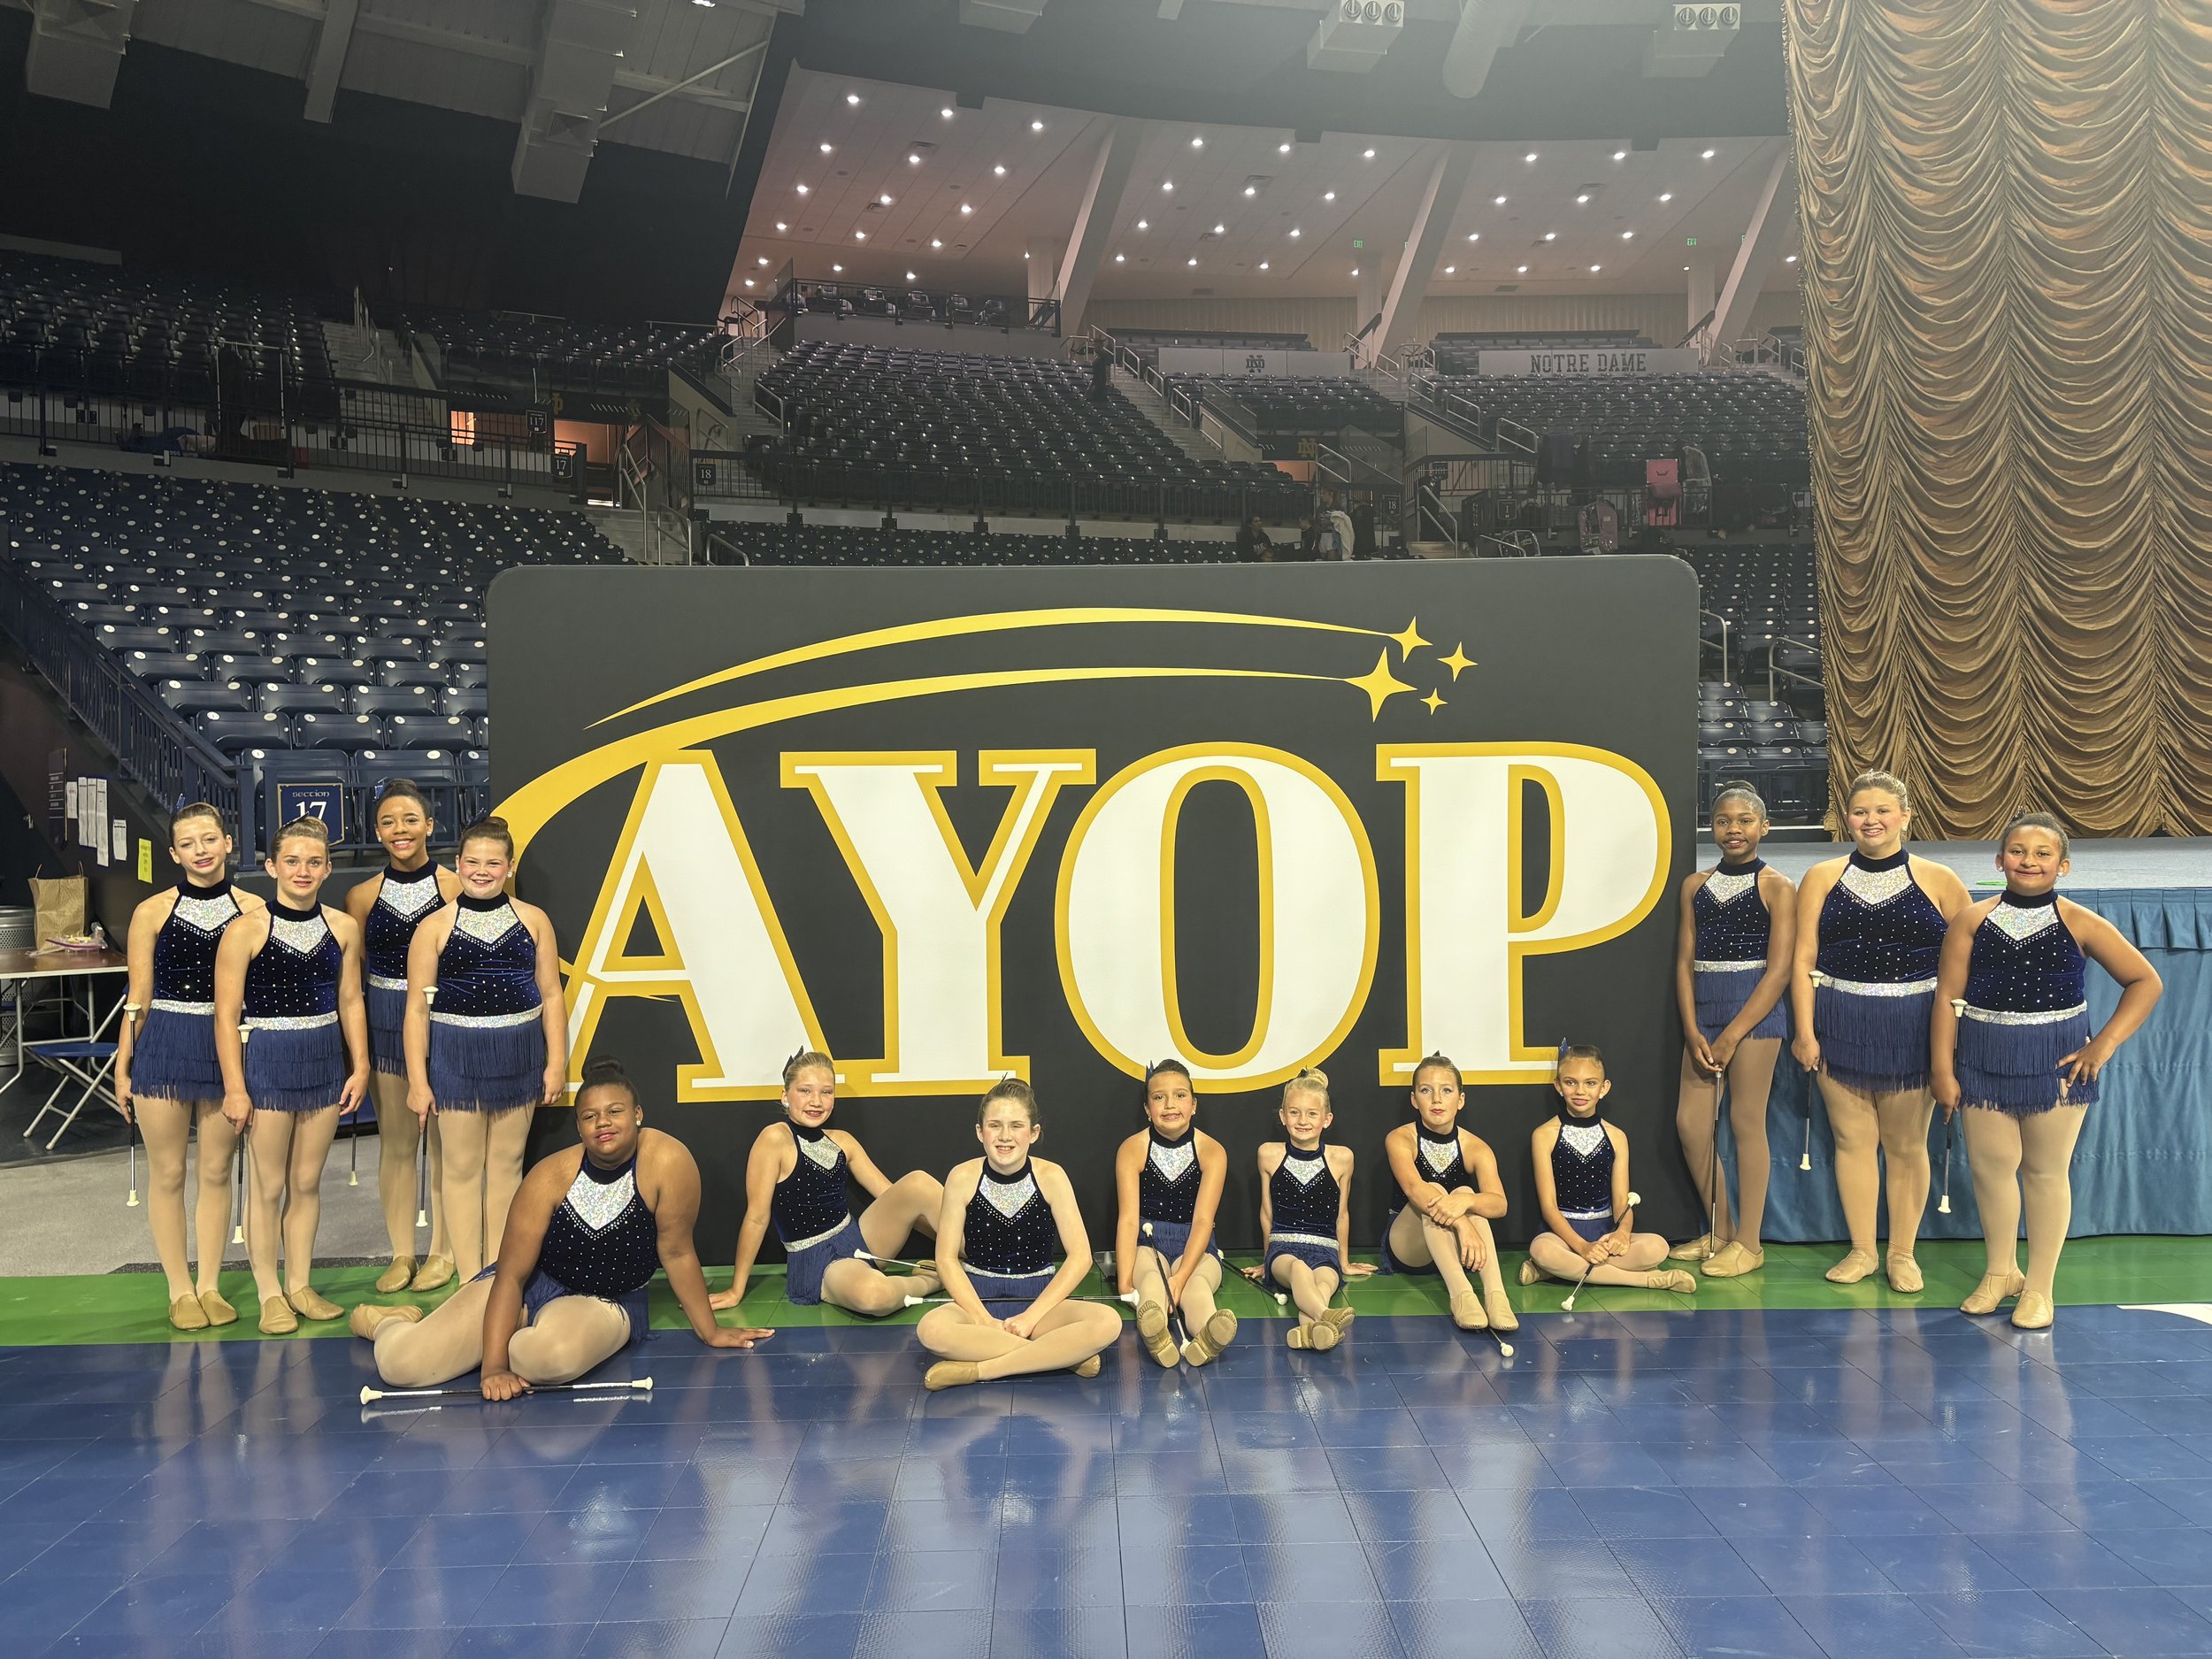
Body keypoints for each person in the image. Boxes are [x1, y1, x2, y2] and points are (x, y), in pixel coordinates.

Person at [352, 1057, 773, 1394]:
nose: (603, 1122)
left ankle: (511, 1335)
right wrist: (493, 1368)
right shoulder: (549, 1177)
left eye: (614, 1112)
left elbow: (677, 1252)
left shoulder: (668, 1162)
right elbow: (511, 1275)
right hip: (530, 1287)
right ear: (579, 1127)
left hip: (606, 1301)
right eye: (590, 1116)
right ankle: (388, 1323)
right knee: (401, 1366)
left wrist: (710, 1331)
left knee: (545, 1360)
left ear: (638, 1114)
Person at [1932, 815, 2162, 1330]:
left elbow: (2145, 982)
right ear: (1999, 860)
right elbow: (1947, 998)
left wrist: (2102, 1045)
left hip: (2056, 1064)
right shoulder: (1971, 920)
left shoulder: (2081, 921)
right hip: (1984, 1059)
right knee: (1991, 1168)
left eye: (2042, 854)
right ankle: (2000, 1273)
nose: (2029, 861)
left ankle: (2039, 1286)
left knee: (2044, 1171)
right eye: (2017, 851)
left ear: (2064, 865)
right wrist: (1942, 1070)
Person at [1790, 771, 1971, 1292]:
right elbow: (1803, 958)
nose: (1871, 821)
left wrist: (1953, 1041)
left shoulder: (1939, 878)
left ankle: (1902, 1253)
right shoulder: (1821, 876)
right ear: (1846, 819)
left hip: (1914, 1027)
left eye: (1882, 811)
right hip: (1839, 1023)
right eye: (1860, 812)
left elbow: (1966, 964)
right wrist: (1804, 1031)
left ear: (1905, 816)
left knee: (1906, 1145)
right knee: (1852, 1142)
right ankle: (1863, 1250)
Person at [211, 816, 370, 1333]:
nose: (303, 870)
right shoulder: (246, 930)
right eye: (293, 861)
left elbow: (350, 1000)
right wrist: (235, 1088)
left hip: (323, 1061)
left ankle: (300, 1283)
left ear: (327, 870)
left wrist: (361, 1064)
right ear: (271, 867)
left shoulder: (342, 928)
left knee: (306, 1182)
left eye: (314, 862)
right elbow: (225, 1016)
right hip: (269, 1061)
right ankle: (269, 1292)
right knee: (268, 1183)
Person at [113, 803, 266, 1330]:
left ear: (228, 843)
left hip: (227, 1046)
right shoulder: (152, 911)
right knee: (169, 1170)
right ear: (174, 854)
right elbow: (138, 997)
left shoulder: (255, 909)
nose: (200, 850)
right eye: (188, 843)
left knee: (217, 1169)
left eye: (209, 839)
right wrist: (123, 1065)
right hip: (164, 1042)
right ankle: (179, 1289)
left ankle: (210, 1285)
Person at [403, 817, 567, 1284]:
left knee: (507, 1168)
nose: (481, 871)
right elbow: (415, 1010)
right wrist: (418, 1081)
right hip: (456, 1058)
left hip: (519, 1056)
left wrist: (556, 1062)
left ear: (509, 867)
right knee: (460, 1169)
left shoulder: (533, 920)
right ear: (457, 864)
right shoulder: (434, 926)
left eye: (493, 863)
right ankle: (470, 1281)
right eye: (472, 862)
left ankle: (499, 1277)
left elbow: (552, 995)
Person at [918, 1078, 1120, 1390]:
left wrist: (1030, 1317)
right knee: (931, 1330)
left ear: (1033, 1133)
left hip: (1039, 1298)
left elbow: (1080, 1257)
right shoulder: (962, 1177)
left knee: (1108, 1322)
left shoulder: (1052, 1176)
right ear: (980, 1132)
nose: (1004, 1136)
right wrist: (982, 1319)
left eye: (1016, 1126)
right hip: (978, 1295)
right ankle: (1063, 1357)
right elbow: (945, 1259)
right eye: (995, 1126)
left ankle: (979, 1370)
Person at [708, 1048, 943, 1315]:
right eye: (805, 1091)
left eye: (826, 1092)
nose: (816, 1101)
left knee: (918, 1184)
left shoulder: (842, 1140)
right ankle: (935, 1279)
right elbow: (756, 1218)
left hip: (857, 1238)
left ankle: (977, 1258)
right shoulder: (775, 1139)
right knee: (875, 1297)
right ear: (785, 1096)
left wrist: (944, 1240)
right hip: (819, 1261)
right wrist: (735, 1290)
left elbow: (890, 1195)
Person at [1671, 781, 1795, 1277]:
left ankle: (1750, 1243)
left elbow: (1779, 971)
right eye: (1723, 821)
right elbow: (1684, 962)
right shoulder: (1694, 886)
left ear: (1764, 827)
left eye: (1745, 820)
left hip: (1755, 1011)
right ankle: (1720, 1229)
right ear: (1712, 827)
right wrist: (1692, 1028)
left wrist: (1732, 1035)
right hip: (1704, 1009)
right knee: (1691, 1125)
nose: (1734, 829)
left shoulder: (1777, 886)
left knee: (1745, 1122)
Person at [344, 779, 460, 1294]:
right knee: (396, 1142)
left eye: (410, 820)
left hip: (444, 1017)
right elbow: (354, 973)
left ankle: (444, 1250)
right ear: (377, 832)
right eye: (388, 822)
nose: (400, 830)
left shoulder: (455, 886)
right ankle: (401, 1253)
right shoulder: (362, 896)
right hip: (387, 1019)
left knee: (444, 1142)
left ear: (429, 825)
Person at [1520, 1043, 1696, 1295]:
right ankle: (1646, 1280)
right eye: (1570, 1082)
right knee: (1542, 1250)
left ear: (1604, 1088)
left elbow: (1622, 1202)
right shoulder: (1544, 1135)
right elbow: (1548, 1206)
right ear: (1558, 1086)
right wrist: (1582, 1247)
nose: (1580, 1091)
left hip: (1604, 1234)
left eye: (1590, 1083)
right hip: (1561, 1235)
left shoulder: (1616, 1137)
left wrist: (1622, 1233)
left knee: (1657, 1247)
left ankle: (1556, 1271)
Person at [1380, 1053, 1518, 1333]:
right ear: (1414, 1099)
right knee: (1435, 1189)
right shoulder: (1401, 1138)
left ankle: (1496, 1295)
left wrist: (1466, 1201)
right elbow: (1414, 1189)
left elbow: (1499, 1204)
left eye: (1446, 1091)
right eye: (1426, 1091)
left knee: (1467, 1193)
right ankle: (1461, 1295)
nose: (1436, 1100)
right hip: (1410, 1247)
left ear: (1461, 1099)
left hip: (1453, 1250)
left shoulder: (1475, 1146)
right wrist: (1462, 1221)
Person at [1115, 1058, 1235, 1368]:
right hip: (1147, 1241)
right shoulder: (1133, 1148)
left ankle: (1208, 1336)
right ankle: (1158, 1338)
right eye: (1159, 1097)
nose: (1170, 1104)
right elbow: (1128, 1219)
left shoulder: (1212, 1151)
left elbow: (1203, 1220)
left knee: (1197, 1286)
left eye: (1180, 1095)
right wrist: (1125, 1282)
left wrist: (1181, 1278)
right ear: (1147, 1109)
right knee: (1151, 1280)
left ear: (1194, 1105)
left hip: (1195, 1244)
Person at [1253, 1068, 1369, 1350]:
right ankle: (1326, 1317)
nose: (1302, 1120)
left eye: (1312, 1114)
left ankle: (1307, 1333)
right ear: (1283, 1116)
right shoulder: (1269, 1153)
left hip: (1325, 1248)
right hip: (1283, 1248)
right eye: (1294, 1113)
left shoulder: (1342, 1158)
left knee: (1325, 1283)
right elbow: (1266, 1213)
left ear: (1327, 1119)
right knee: (1299, 1268)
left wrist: (1343, 1262)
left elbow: (1342, 1214)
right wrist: (1267, 1260)